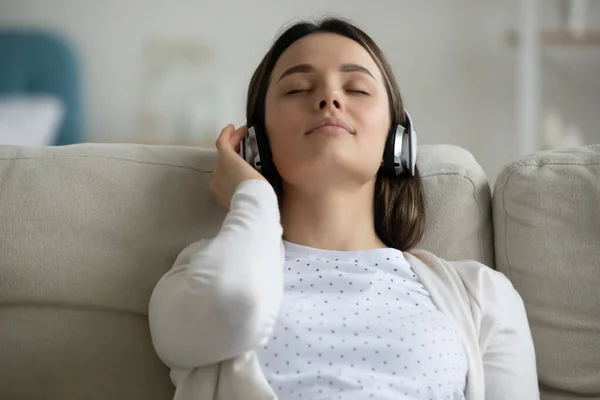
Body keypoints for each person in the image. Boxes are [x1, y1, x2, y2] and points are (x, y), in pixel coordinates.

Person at [148, 17, 539, 400]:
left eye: (356, 88)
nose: (329, 99)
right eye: (297, 89)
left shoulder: (483, 296)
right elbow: (233, 305)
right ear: (256, 145)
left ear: (397, 141)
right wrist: (252, 196)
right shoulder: (197, 276)